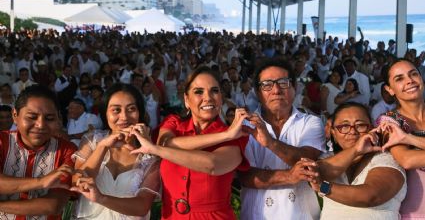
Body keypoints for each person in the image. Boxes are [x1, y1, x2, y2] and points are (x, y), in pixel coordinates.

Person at [130, 66, 249, 219]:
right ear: (186, 100)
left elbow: (213, 165)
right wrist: (225, 135)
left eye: (214, 91)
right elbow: (166, 143)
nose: (208, 97)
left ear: (221, 97)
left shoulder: (237, 135)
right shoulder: (173, 123)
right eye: (199, 92)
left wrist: (155, 149)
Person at [239, 58, 325, 219]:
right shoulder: (244, 125)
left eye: (283, 82)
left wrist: (270, 143)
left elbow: (307, 160)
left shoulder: (311, 122)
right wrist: (290, 176)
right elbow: (246, 176)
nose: (276, 90)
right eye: (267, 85)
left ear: (295, 87)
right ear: (258, 92)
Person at [70, 83, 160, 219]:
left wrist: (101, 198)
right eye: (116, 110)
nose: (124, 117)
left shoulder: (149, 155)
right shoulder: (92, 141)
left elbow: (142, 206)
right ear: (105, 113)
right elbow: (77, 181)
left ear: (140, 113)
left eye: (131, 109)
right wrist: (102, 147)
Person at [305, 102, 406, 219]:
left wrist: (322, 187)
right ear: (334, 133)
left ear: (372, 128)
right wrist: (355, 150)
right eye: (344, 126)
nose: (352, 131)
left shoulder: (387, 157)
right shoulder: (327, 157)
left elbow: (371, 196)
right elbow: (316, 173)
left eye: (360, 125)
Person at [0, 84, 76, 219]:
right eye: (32, 117)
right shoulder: (1, 141)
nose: (40, 125)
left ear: (58, 119)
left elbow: (53, 205)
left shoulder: (67, 150)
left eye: (49, 118)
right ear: (15, 115)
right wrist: (41, 181)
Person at [376, 59, 425, 219]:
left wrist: (408, 138)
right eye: (399, 78)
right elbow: (407, 160)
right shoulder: (388, 120)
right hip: (416, 214)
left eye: (413, 74)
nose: (410, 80)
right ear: (389, 89)